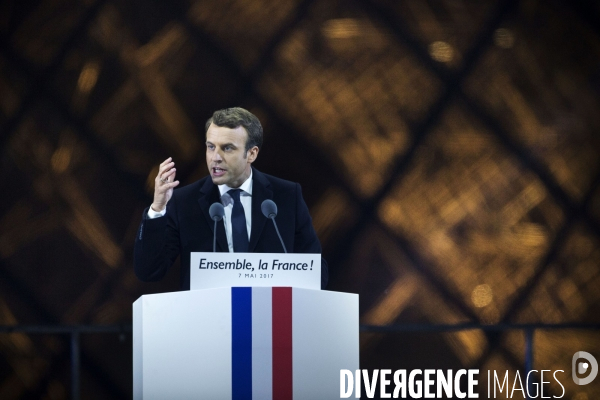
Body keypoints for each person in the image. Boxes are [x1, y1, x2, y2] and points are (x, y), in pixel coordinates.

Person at [134, 107, 328, 289]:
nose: (215, 157)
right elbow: (149, 271)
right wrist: (157, 209)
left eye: (227, 148)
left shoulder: (286, 197)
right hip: (208, 321)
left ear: (251, 154)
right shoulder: (184, 202)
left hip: (270, 318)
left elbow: (318, 274)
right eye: (211, 147)